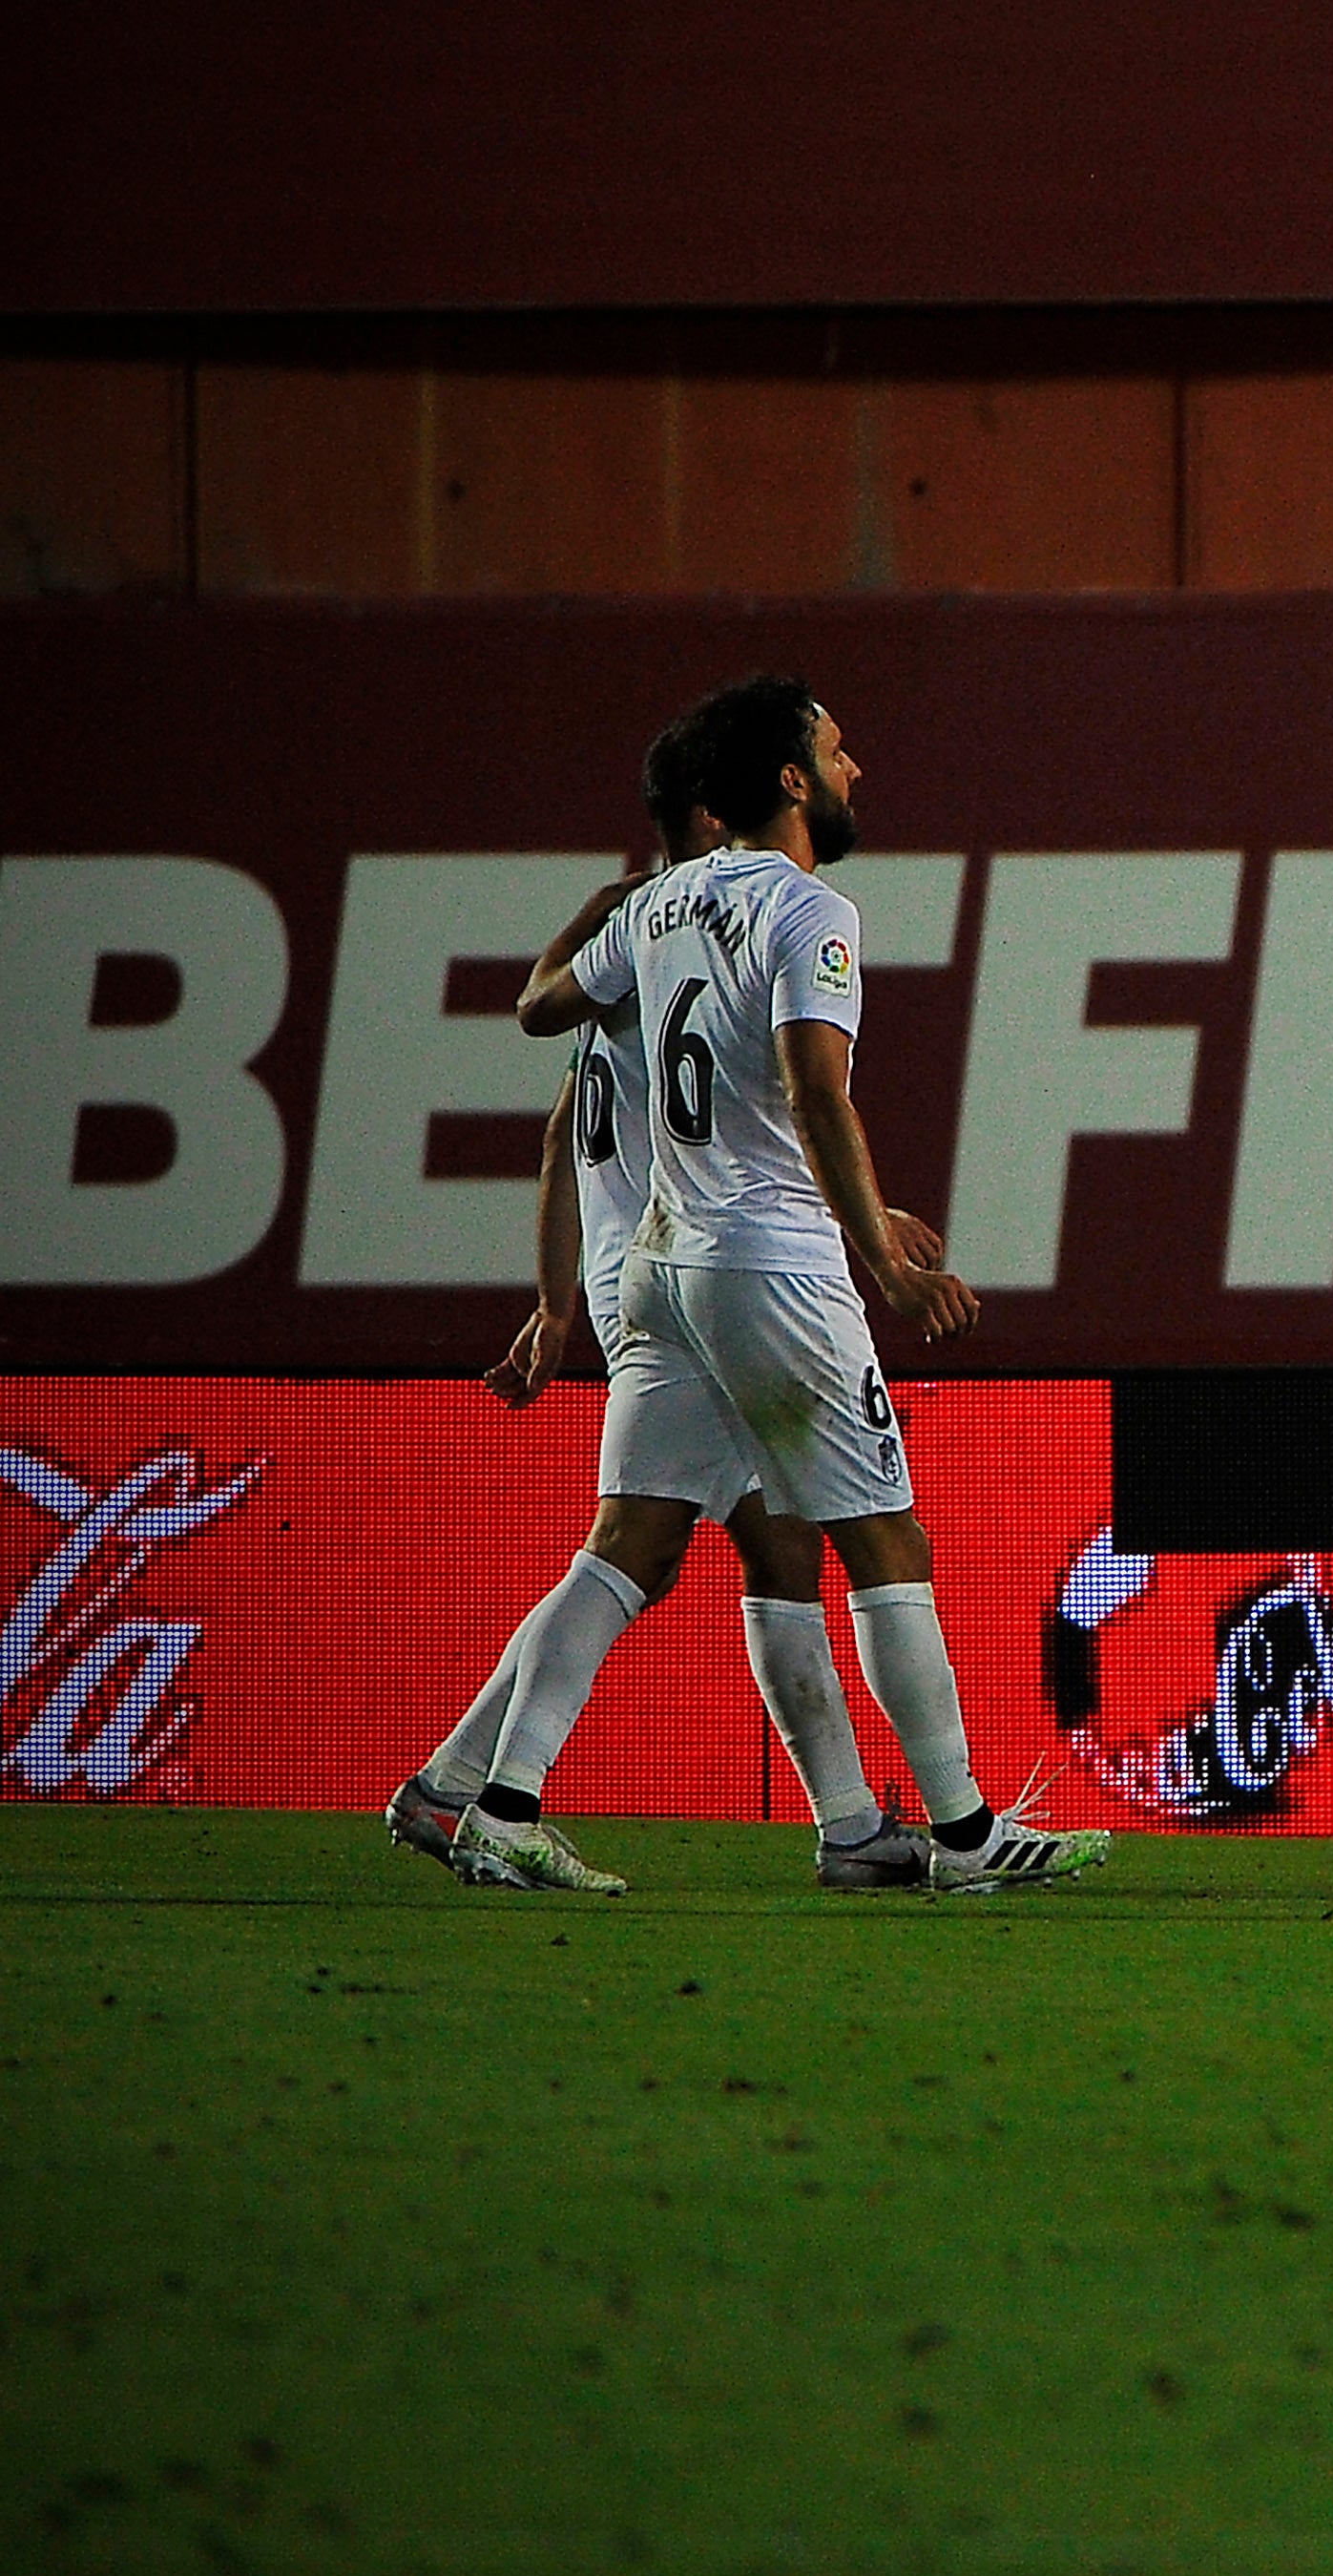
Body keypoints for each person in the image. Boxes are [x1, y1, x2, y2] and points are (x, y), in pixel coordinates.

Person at [519, 676, 1102, 1895]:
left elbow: (547, 1010)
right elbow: (813, 1089)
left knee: (629, 1544)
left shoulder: (658, 905)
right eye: (837, 751)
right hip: (771, 1267)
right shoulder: (809, 911)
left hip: (659, 1272)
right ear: (788, 780)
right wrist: (880, 1260)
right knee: (884, 1540)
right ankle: (962, 1837)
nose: (855, 770)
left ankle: (500, 1799)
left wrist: (604, 920)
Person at [387, 714, 927, 1894]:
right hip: (702, 1276)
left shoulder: (629, 949)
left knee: (659, 1546)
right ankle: (857, 1825)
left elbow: (555, 1121)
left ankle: (457, 1784)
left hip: (634, 1269)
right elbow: (786, 1108)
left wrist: (555, 1300)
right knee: (728, 1550)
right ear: (720, 813)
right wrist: (859, 1234)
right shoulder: (711, 936)